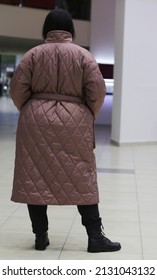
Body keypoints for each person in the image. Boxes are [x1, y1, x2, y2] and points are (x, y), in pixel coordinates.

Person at [10, 9, 121, 253]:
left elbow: (17, 91)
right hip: (75, 121)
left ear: (46, 30)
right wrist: (86, 113)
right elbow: (97, 92)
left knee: (34, 177)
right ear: (71, 29)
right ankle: (95, 237)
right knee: (83, 176)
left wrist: (31, 109)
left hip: (35, 121)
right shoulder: (84, 55)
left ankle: (40, 237)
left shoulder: (32, 55)